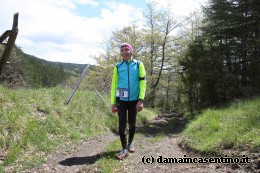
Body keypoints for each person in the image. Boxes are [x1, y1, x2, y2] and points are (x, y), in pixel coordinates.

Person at [110, 43, 146, 160]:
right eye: (122, 50)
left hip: (134, 99)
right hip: (121, 99)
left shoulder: (139, 64)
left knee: (132, 122)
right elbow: (114, 84)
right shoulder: (117, 66)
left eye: (126, 50)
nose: (124, 52)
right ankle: (124, 148)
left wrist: (140, 100)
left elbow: (143, 83)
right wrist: (113, 102)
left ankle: (130, 143)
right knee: (122, 123)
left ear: (131, 51)